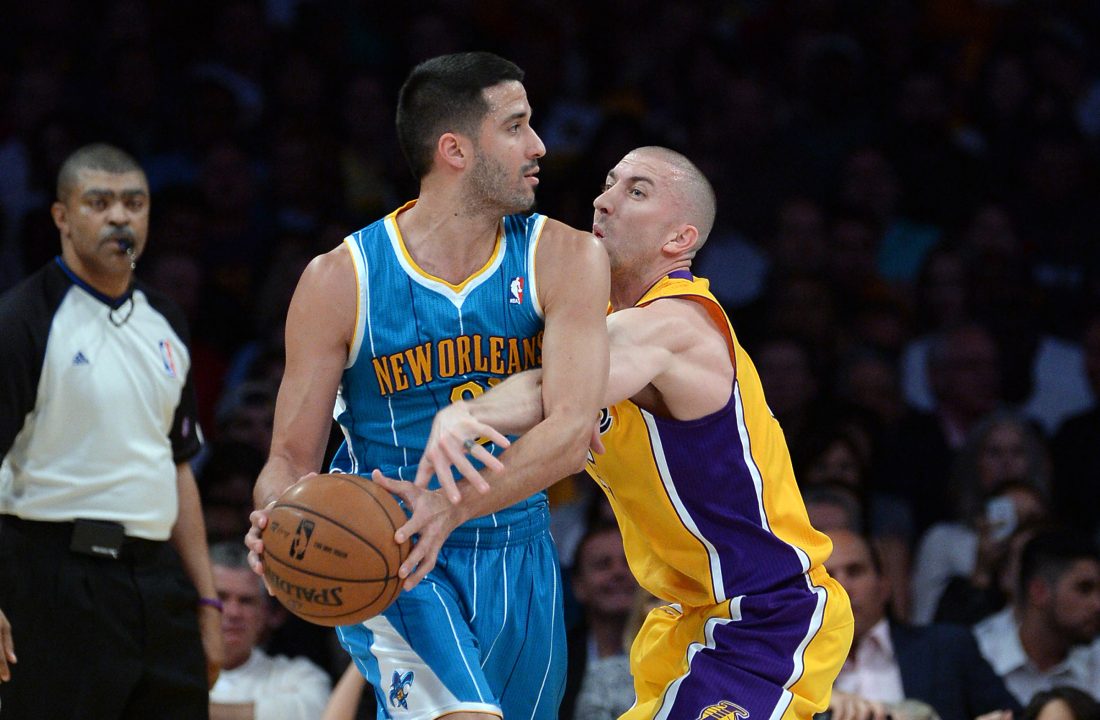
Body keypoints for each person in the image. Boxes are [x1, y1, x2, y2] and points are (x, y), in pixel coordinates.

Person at [384, 146, 853, 719]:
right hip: (689, 625)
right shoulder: (600, 330)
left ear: (679, 239)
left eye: (636, 191)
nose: (603, 202)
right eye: (608, 185)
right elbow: (554, 444)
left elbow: (556, 389)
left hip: (769, 613)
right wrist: (436, 506)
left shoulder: (675, 324)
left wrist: (469, 415)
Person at [245, 52, 609, 719]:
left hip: (521, 553)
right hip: (393, 551)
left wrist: (454, 505)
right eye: (517, 126)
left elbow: (571, 429)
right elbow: (290, 459)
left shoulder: (566, 256)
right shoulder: (340, 278)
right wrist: (277, 514)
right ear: (456, 150)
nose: (540, 146)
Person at [0, 143, 224, 717]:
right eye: (98, 203)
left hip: (157, 582)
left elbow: (177, 466)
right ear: (61, 217)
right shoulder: (21, 320)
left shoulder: (166, 319)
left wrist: (206, 602)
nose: (120, 217)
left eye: (134, 203)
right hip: (50, 577)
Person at [825, 529, 1019, 720]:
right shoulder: (796, 669)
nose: (843, 587)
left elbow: (1014, 715)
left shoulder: (947, 647)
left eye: (855, 571)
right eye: (827, 577)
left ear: (884, 584)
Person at [973, 529, 1100, 705]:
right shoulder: (979, 655)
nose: (1097, 605)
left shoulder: (1097, 664)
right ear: (1039, 592)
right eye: (1084, 589)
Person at [208, 542, 331, 720]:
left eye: (246, 601)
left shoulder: (299, 677)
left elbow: (321, 711)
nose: (233, 612)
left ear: (265, 613)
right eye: (221, 597)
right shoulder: (168, 669)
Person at [561, 521, 638, 720]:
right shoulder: (558, 659)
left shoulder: (677, 651)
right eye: (603, 564)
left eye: (629, 562)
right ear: (578, 585)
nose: (618, 573)